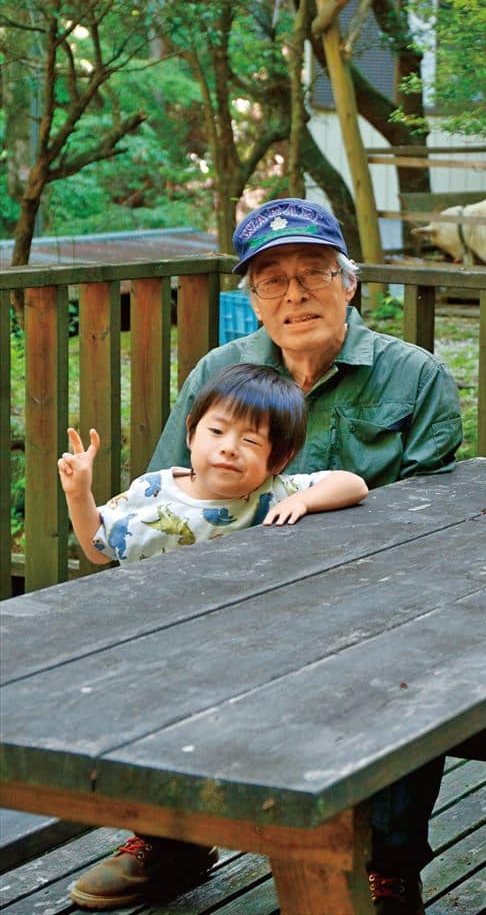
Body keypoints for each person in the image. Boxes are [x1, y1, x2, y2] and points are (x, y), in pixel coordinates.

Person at [68, 198, 463, 915]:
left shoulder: (417, 377)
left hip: (364, 600)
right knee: (160, 645)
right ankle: (171, 841)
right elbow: (172, 494)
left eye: (313, 272)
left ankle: (387, 863)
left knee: (411, 663)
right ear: (250, 296)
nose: (294, 293)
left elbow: (428, 521)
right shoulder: (221, 369)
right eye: (270, 279)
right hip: (229, 599)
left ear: (350, 281)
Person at [58, 363, 369, 566]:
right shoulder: (151, 491)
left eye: (250, 441)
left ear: (279, 459)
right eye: (217, 432)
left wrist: (303, 501)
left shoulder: (276, 491)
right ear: (191, 432)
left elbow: (354, 485)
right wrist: (78, 493)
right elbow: (97, 549)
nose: (229, 448)